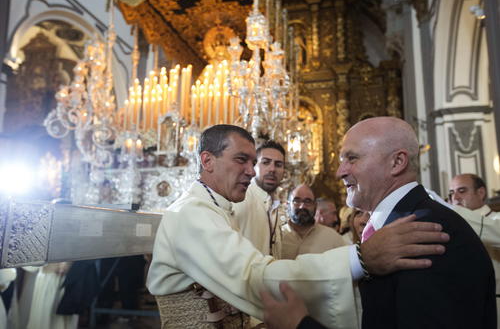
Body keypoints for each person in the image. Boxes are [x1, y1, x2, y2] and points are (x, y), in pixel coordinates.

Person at [147, 124, 449, 329]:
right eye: (242, 160)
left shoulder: (217, 206)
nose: (252, 172)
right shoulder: (190, 213)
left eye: (254, 162)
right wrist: (359, 259)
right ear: (207, 160)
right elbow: (254, 275)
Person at [338, 117, 495, 328]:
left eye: (352, 158)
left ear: (397, 162)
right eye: (341, 160)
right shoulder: (399, 223)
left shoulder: (429, 231)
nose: (341, 171)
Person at [449, 173, 500, 327]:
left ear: (481, 192)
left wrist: (450, 211)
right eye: (451, 193)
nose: (455, 197)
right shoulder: (450, 224)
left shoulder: (497, 219)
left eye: (462, 191)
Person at [233, 140, 286, 257]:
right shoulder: (240, 199)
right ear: (253, 166)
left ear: (284, 171)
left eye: (278, 165)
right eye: (266, 162)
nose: (272, 169)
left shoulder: (276, 205)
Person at [281, 184, 346, 259]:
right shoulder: (278, 236)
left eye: (307, 201)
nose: (302, 206)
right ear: (288, 205)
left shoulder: (333, 238)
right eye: (297, 201)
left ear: (315, 205)